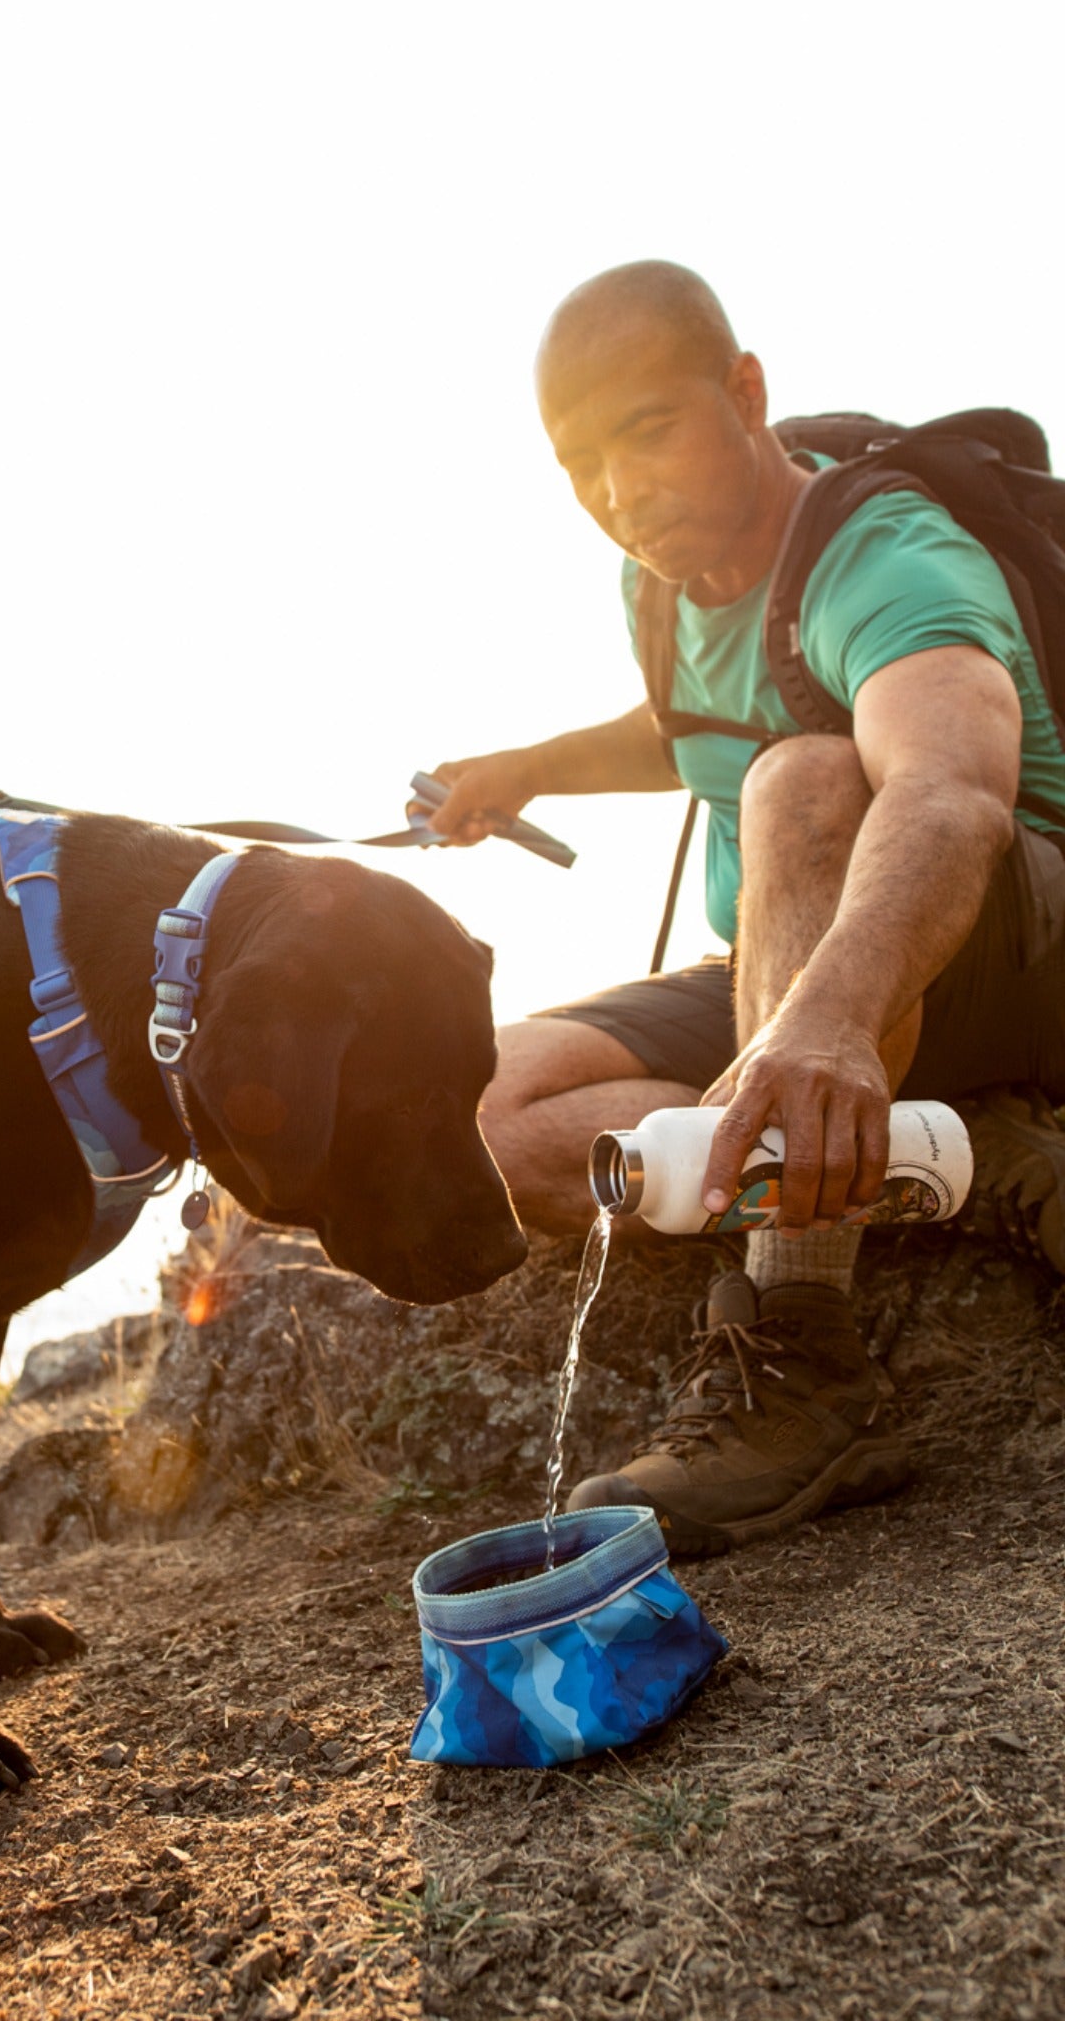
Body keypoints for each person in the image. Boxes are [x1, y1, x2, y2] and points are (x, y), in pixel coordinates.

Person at [428, 259, 1065, 1555]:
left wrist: (824, 1022)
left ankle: (801, 1351)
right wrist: (528, 771)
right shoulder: (661, 580)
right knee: (478, 1113)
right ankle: (966, 1155)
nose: (618, 491)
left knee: (811, 777)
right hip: (795, 976)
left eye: (646, 430)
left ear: (744, 391)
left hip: (1010, 950)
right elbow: (683, 725)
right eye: (578, 463)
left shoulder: (880, 555)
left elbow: (950, 791)